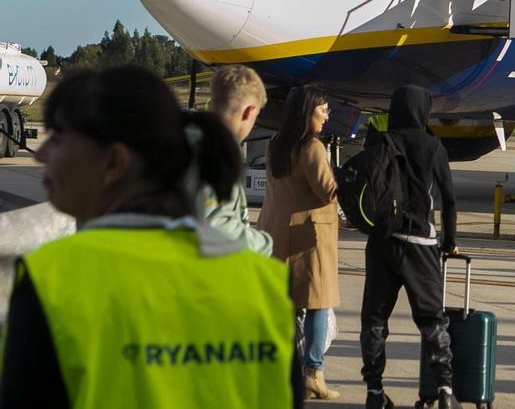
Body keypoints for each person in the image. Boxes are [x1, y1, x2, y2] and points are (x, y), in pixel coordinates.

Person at [0, 66, 299, 408]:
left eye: (59, 137)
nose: (41, 153)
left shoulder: (53, 278)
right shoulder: (266, 285)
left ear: (114, 163)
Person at [359, 86, 460, 409]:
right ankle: (444, 390)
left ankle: (374, 391)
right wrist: (450, 242)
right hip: (420, 242)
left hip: (382, 241)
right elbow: (449, 199)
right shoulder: (432, 146)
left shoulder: (379, 142)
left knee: (374, 319)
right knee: (432, 320)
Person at [258, 85, 341, 401]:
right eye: (323, 110)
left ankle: (286, 370)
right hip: (309, 236)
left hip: (276, 231)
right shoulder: (313, 148)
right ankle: (313, 373)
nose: (327, 116)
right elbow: (327, 191)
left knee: (287, 307)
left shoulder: (275, 145)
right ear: (307, 113)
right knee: (318, 304)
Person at [202, 63, 273, 256]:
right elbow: (213, 225)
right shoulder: (213, 153)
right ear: (249, 112)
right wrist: (262, 244)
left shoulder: (186, 138)